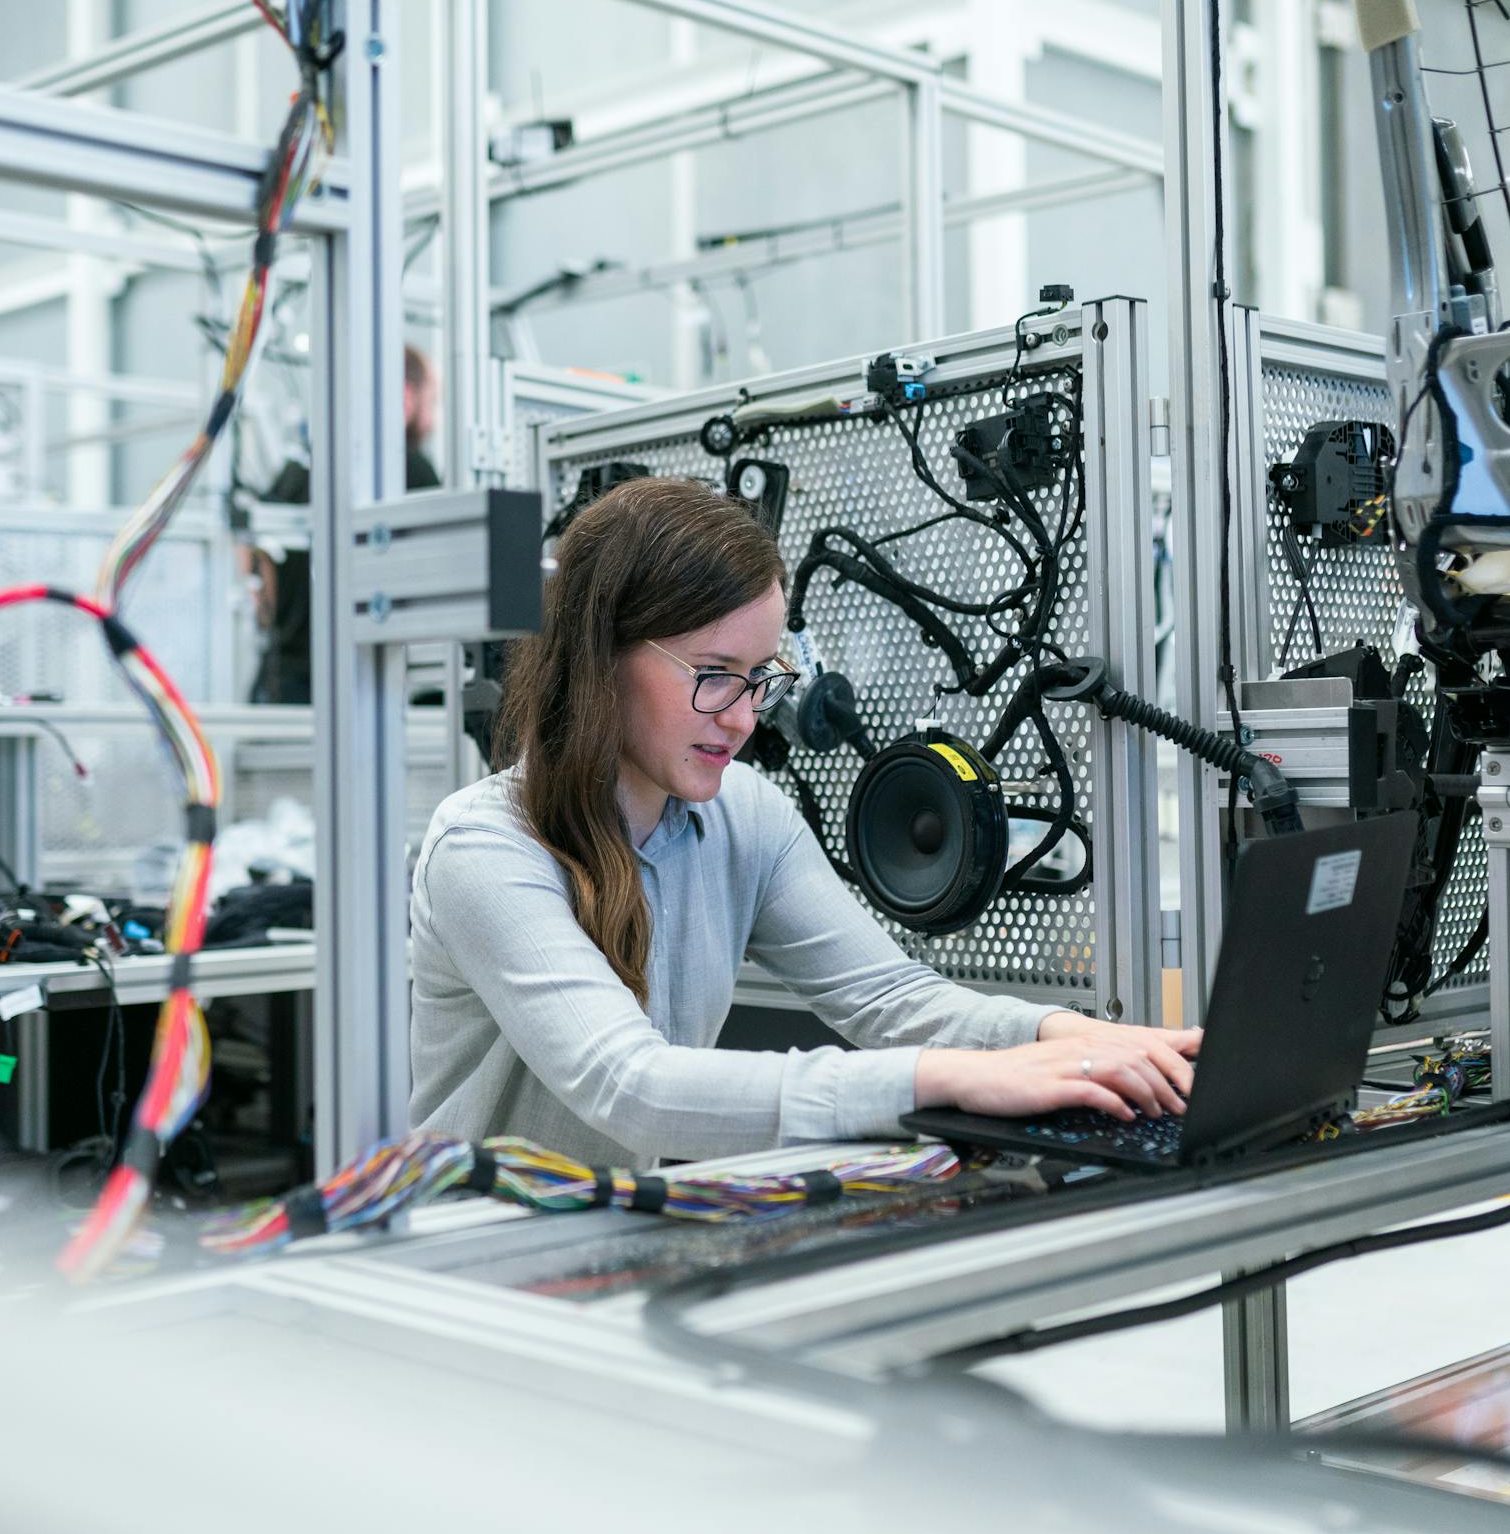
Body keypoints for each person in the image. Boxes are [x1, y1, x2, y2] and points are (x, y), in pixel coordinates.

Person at [409, 476, 1200, 1167]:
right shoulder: (487, 846)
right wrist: (948, 1079)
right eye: (715, 676)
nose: (746, 718)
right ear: (600, 657)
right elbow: (632, 1087)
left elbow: (892, 999)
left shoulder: (744, 817)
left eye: (760, 678)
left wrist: (1070, 1038)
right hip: (475, 1270)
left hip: (612, 1240)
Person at [249, 345, 442, 704]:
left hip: (284, 686)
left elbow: (257, 572)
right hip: (363, 685)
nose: (434, 416)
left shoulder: (297, 471)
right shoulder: (410, 468)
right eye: (434, 400)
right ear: (405, 397)